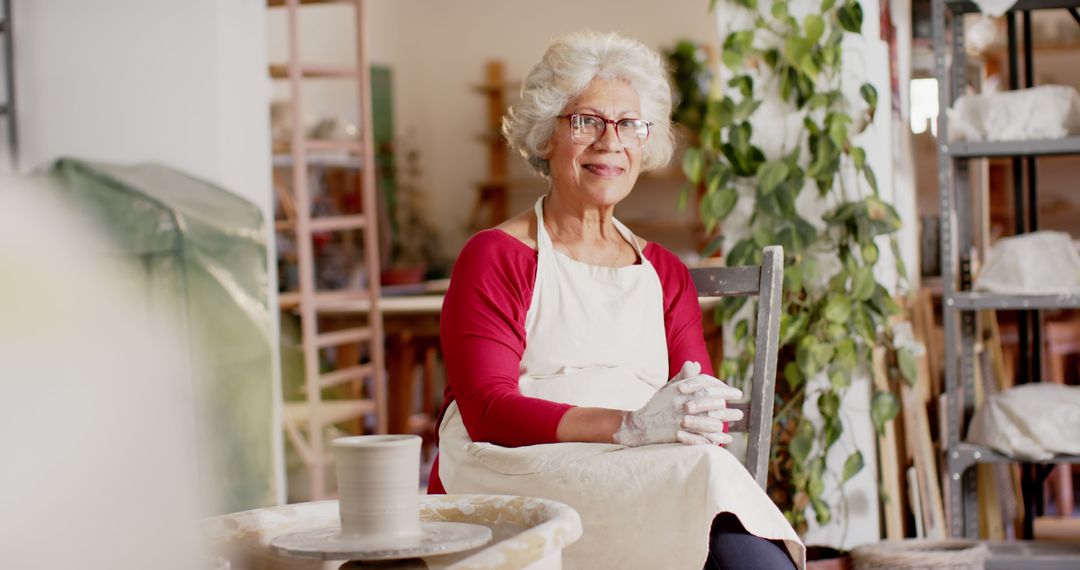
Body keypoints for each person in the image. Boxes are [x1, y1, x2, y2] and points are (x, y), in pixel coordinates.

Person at [428, 30, 804, 569]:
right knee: (708, 484)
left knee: (707, 473)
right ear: (546, 136)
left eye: (629, 124)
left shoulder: (666, 273)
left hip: (636, 475)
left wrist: (682, 423)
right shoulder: (495, 256)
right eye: (586, 121)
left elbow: (700, 411)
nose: (611, 142)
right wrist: (628, 426)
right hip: (517, 476)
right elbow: (487, 413)